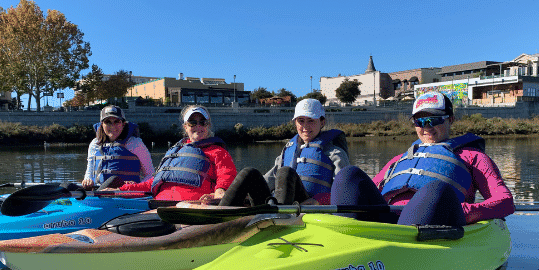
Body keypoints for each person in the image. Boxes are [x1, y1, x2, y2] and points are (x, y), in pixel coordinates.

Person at [331, 92, 515, 226]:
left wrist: (466, 211)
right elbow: (363, 193)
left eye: (433, 120)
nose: (426, 127)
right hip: (389, 222)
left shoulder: (473, 157)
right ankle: (341, 238)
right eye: (419, 121)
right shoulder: (398, 160)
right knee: (348, 175)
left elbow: (504, 200)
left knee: (435, 189)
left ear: (450, 119)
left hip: (431, 226)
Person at [219, 98, 350, 206]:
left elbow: (344, 190)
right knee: (248, 173)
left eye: (311, 121)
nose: (305, 127)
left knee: (286, 172)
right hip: (277, 204)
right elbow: (269, 179)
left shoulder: (335, 153)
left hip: (307, 208)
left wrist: (320, 201)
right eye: (301, 121)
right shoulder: (288, 150)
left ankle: (281, 218)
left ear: (322, 122)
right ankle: (219, 214)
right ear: (295, 123)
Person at [115, 105, 238, 202]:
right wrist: (120, 190)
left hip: (194, 206)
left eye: (202, 122)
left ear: (208, 125)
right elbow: (152, 183)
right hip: (160, 205)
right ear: (185, 127)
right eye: (192, 123)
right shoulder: (176, 151)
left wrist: (220, 191)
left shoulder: (218, 152)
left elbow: (226, 174)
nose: (198, 126)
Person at [81, 105, 155, 190]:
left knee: (113, 180)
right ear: (102, 125)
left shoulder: (135, 143)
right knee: (66, 186)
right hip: (99, 190)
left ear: (123, 124)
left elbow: (150, 174)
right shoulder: (95, 144)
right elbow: (90, 171)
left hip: (126, 192)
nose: (112, 126)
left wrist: (135, 187)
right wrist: (87, 180)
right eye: (108, 122)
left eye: (116, 121)